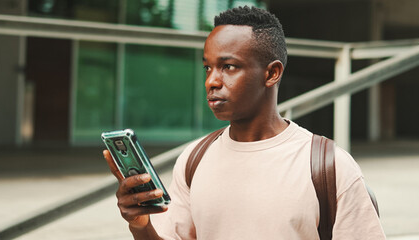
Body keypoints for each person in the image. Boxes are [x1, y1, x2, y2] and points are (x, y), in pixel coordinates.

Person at [103, 6, 385, 239]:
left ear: (272, 73)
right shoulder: (194, 159)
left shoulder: (329, 166)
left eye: (229, 67)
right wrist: (140, 226)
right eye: (208, 67)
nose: (211, 81)